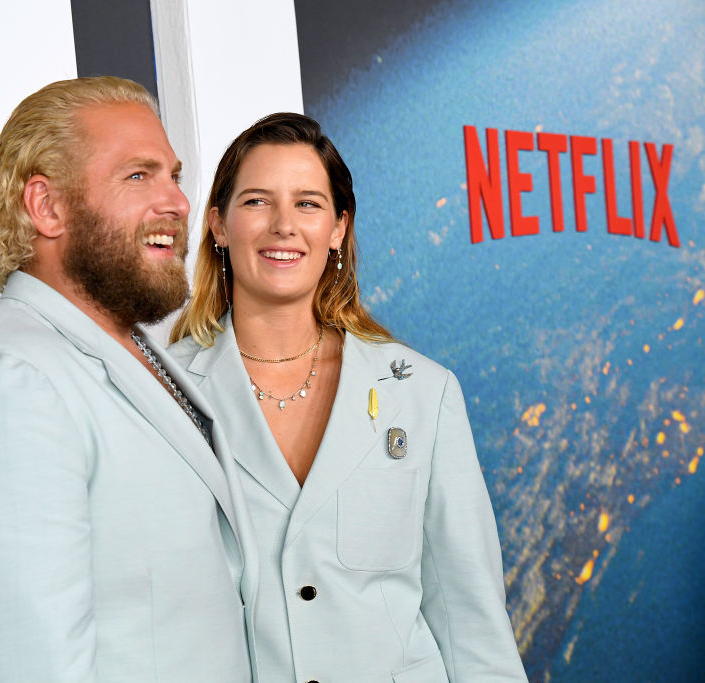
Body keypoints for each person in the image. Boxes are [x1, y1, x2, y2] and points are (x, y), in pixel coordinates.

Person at [0, 77, 257, 682]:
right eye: (138, 176)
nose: (176, 202)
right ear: (46, 207)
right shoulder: (6, 384)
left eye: (173, 175)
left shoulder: (133, 349)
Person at [170, 113, 527, 682]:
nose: (284, 225)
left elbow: (472, 619)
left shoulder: (422, 394)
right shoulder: (165, 393)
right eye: (258, 201)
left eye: (309, 204)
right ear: (218, 224)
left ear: (338, 228)